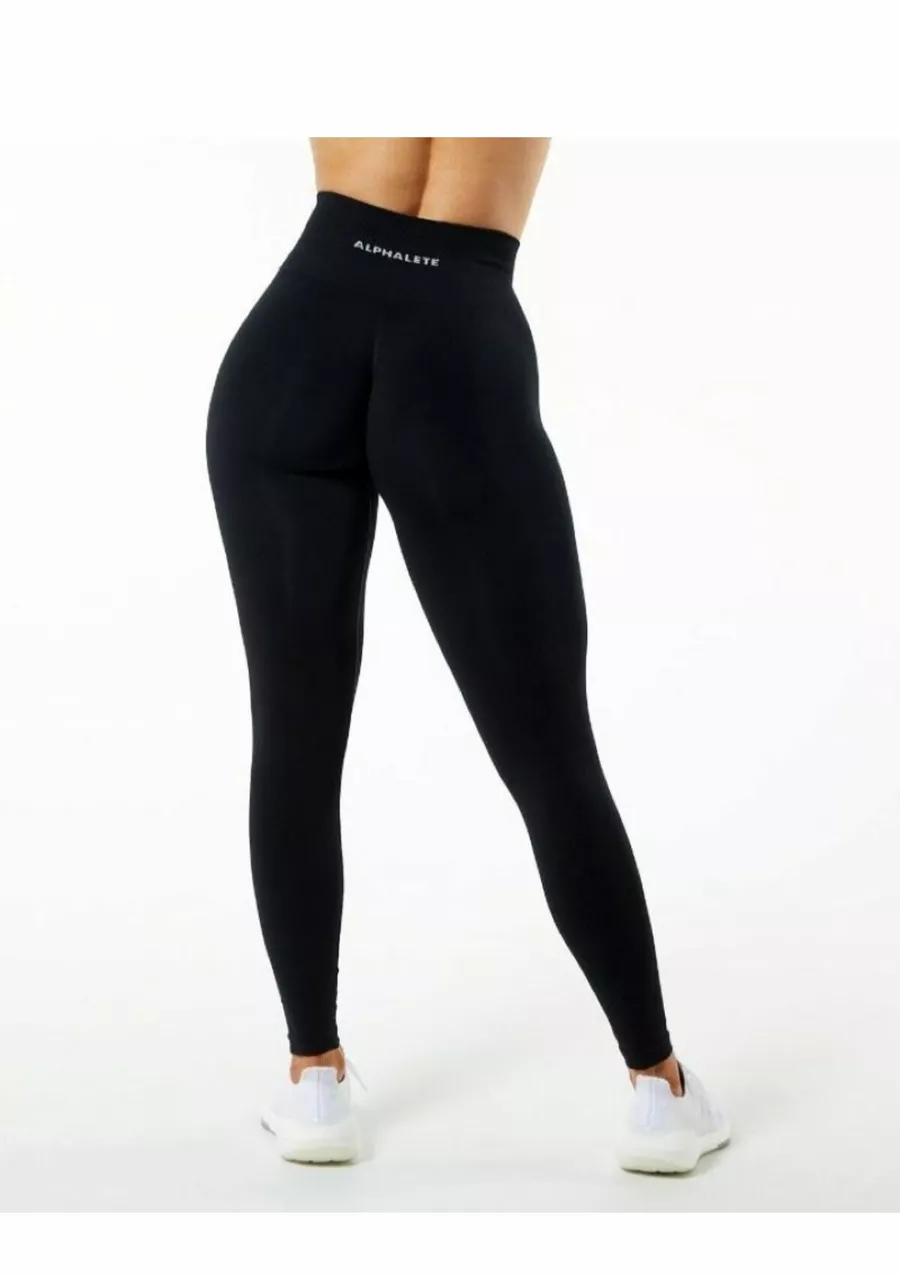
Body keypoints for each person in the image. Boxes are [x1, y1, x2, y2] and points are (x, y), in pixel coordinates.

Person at [205, 137, 730, 1174]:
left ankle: (314, 1079)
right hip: (456, 343)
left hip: (294, 340)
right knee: (551, 754)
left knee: (294, 740)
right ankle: (660, 1091)